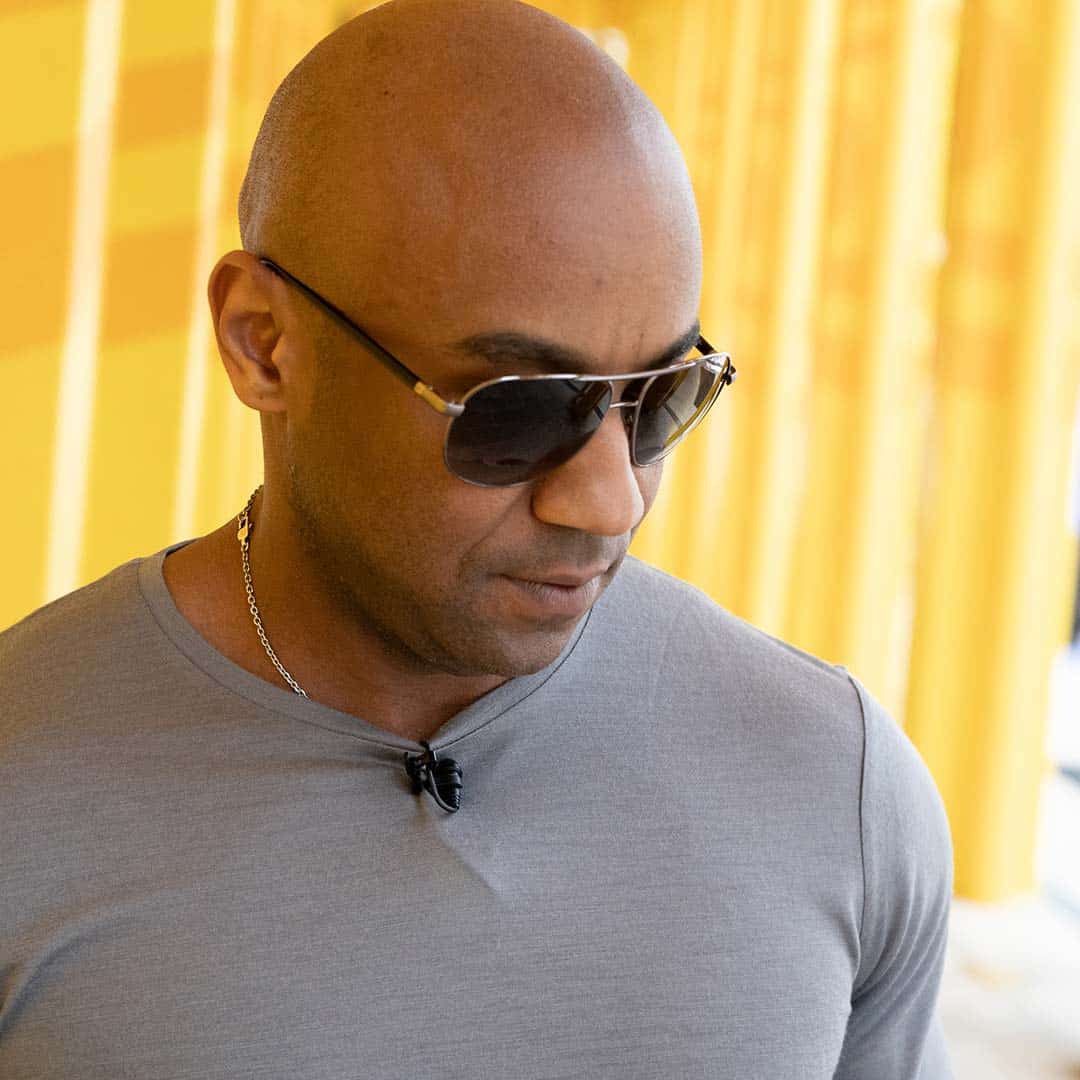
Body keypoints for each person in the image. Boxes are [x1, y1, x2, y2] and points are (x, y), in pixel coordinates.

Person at [0, 1, 954, 1076]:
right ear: (264, 344)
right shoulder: (23, 784)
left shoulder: (834, 782)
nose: (610, 503)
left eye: (663, 397)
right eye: (518, 409)